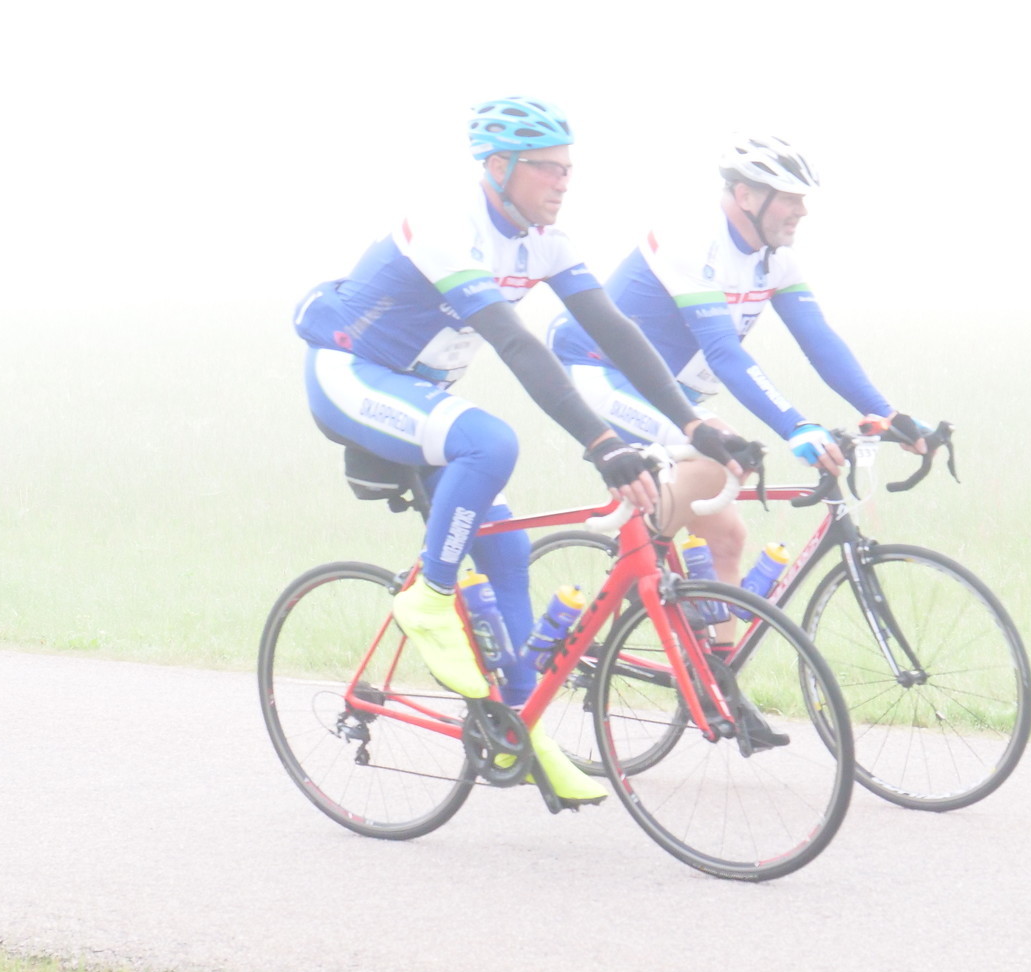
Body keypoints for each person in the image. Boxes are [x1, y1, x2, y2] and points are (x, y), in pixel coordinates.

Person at [294, 97, 762, 809]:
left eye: (568, 168)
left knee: (509, 552)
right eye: (547, 168)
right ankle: (430, 598)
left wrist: (695, 426)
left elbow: (616, 332)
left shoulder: (545, 241)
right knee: (490, 440)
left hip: (419, 394)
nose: (562, 181)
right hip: (352, 376)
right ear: (496, 167)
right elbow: (514, 342)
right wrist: (602, 443)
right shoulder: (447, 227)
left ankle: (527, 731)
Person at [549, 134, 930, 606]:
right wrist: (796, 426)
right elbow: (724, 353)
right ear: (746, 195)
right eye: (790, 198)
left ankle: (716, 654)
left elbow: (819, 341)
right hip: (597, 370)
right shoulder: (692, 242)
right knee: (716, 455)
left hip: (667, 391)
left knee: (726, 542)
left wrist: (886, 413)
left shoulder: (777, 260)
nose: (802, 211)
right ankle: (632, 574)